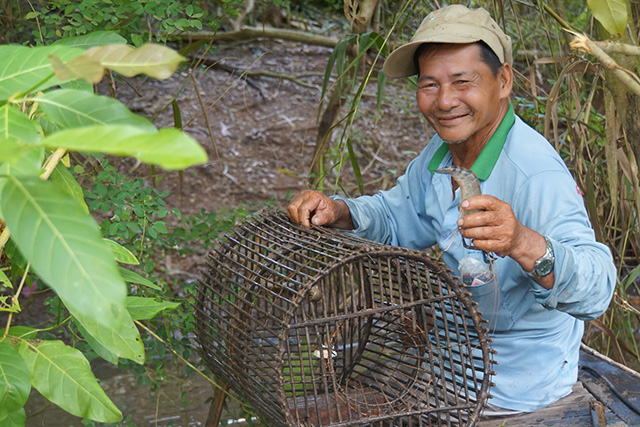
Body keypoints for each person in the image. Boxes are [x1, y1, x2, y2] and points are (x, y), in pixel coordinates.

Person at [287, 4, 616, 415]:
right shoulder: (442, 153)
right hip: (443, 370)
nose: (444, 101)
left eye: (463, 82)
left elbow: (598, 290)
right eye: (430, 85)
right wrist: (338, 211)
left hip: (514, 392)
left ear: (504, 80)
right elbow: (397, 216)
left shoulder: (536, 174)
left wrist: (522, 242)